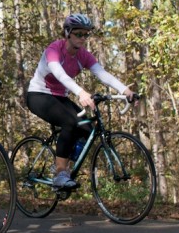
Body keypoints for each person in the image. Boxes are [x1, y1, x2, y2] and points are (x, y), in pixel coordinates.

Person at [26, 13, 137, 189]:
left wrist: (125, 90)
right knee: (70, 123)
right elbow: (60, 74)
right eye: (79, 34)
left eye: (86, 34)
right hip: (38, 95)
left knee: (87, 129)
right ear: (68, 33)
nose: (83, 38)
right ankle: (61, 173)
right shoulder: (54, 50)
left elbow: (102, 74)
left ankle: (61, 164)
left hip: (59, 97)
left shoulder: (83, 55)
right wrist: (81, 92)